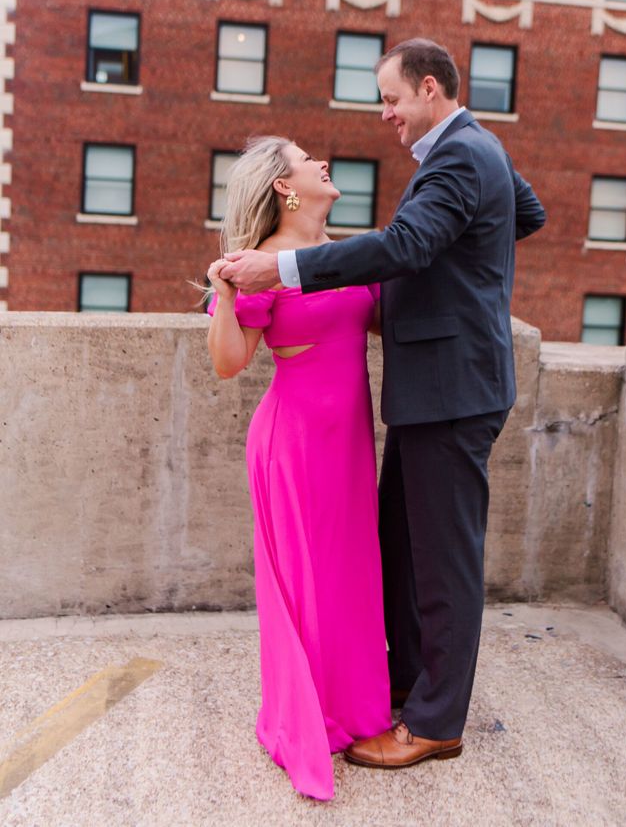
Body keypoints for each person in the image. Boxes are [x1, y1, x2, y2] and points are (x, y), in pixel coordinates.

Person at [219, 39, 546, 770]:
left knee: (444, 562)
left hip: (454, 388)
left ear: (431, 90)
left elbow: (405, 245)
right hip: (435, 389)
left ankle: (436, 723)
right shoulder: (475, 147)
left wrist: (287, 267)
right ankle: (405, 685)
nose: (386, 114)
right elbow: (524, 212)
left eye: (393, 99)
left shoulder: (461, 153)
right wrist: (469, 266)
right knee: (402, 547)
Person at [206, 135, 391, 801]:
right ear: (285, 186)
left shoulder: (348, 255)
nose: (322, 161)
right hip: (294, 445)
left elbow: (381, 324)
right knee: (309, 585)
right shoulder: (260, 264)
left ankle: (354, 714)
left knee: (349, 578)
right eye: (306, 156)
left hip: (348, 443)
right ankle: (313, 719)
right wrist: (224, 295)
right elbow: (230, 363)